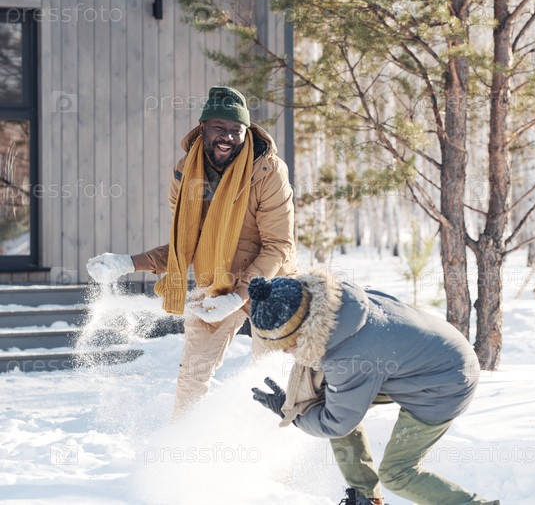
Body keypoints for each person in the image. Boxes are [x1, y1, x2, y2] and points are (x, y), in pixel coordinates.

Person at [86, 86, 297, 418]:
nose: (228, 137)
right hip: (216, 282)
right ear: (203, 128)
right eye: (220, 128)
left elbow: (278, 245)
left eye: (236, 130)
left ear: (247, 131)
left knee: (271, 375)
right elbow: (184, 243)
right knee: (192, 377)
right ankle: (184, 443)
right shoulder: (186, 172)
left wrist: (239, 296)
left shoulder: (267, 170)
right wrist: (128, 262)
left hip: (268, 285)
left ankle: (274, 447)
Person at [247, 270, 500, 505]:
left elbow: (336, 423)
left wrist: (291, 414)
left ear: (303, 330)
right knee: (329, 400)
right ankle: (366, 498)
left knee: (397, 474)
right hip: (428, 357)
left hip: (447, 382)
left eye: (287, 344)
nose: (285, 352)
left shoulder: (348, 357)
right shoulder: (338, 301)